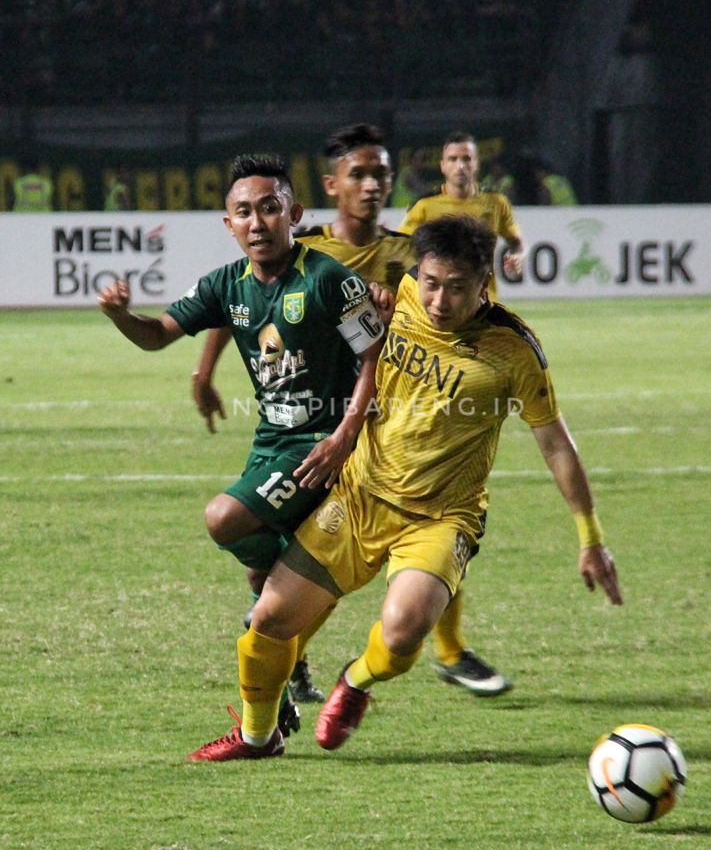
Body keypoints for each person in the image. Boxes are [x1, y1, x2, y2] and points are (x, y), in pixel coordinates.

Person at [187, 215, 622, 761]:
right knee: (268, 622)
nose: (439, 299)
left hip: (441, 518)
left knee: (401, 634)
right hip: (359, 496)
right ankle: (257, 738)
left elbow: (556, 444)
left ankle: (356, 680)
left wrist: (591, 537)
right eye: (433, 282)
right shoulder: (401, 298)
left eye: (457, 287)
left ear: (484, 281)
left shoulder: (514, 350)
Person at [193, 124, 513, 701]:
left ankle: (444, 649)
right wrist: (205, 368)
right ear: (330, 184)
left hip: (391, 418)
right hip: (320, 422)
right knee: (279, 556)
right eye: (360, 174)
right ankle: (293, 658)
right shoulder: (304, 246)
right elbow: (242, 299)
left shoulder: (408, 252)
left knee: (428, 517)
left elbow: (454, 311)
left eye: (381, 175)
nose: (372, 187)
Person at [98, 153, 385, 734]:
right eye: (244, 212)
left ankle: (278, 632)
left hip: (319, 448)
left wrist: (344, 434)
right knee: (264, 572)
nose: (258, 222)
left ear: (295, 214)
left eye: (270, 208)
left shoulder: (328, 279)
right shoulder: (225, 287)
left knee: (224, 518)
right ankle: (281, 662)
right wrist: (121, 316)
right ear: (227, 224)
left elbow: (375, 357)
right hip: (270, 445)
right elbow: (156, 337)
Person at [400, 131, 524, 299]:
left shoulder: (496, 202)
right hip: (441, 307)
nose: (460, 166)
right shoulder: (424, 206)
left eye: (466, 159)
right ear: (442, 165)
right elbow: (400, 248)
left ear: (476, 164)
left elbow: (516, 242)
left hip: (485, 304)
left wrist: (517, 256)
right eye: (453, 159)